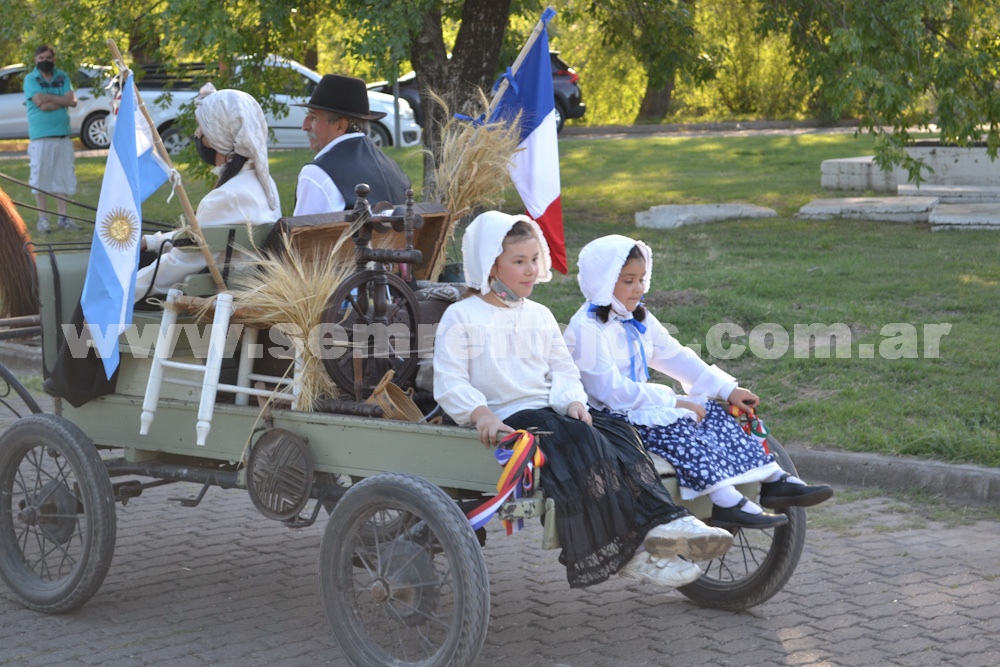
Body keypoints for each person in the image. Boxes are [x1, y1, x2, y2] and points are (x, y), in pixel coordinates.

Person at [433, 211, 734, 590]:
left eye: (533, 260)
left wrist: (574, 400)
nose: (530, 270)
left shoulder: (539, 315)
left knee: (619, 432)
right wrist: (480, 414)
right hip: (508, 413)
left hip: (549, 409)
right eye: (518, 261)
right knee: (582, 442)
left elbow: (563, 369)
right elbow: (450, 378)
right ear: (490, 264)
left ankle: (666, 524)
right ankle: (635, 553)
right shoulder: (462, 317)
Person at [564, 235, 833, 529]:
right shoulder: (586, 329)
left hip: (639, 406)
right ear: (603, 281)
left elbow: (676, 357)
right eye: (628, 281)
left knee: (714, 414)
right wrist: (674, 401)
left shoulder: (637, 317)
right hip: (610, 415)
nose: (639, 288)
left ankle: (773, 479)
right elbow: (610, 391)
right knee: (679, 426)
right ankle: (725, 499)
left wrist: (727, 389)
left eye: (641, 279)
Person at [134, 84, 281, 301]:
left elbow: (180, 263)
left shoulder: (227, 196)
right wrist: (153, 242)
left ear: (217, 136)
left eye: (201, 128)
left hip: (214, 299)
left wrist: (125, 290)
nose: (197, 134)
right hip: (245, 290)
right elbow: (201, 238)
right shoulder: (265, 185)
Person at [292, 74, 410, 215]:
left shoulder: (317, 173)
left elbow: (302, 235)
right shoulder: (393, 169)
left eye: (313, 117)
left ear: (339, 126)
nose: (304, 126)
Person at [24, 44, 81, 234]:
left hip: (63, 136)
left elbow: (72, 101)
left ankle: (63, 218)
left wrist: (49, 98)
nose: (45, 61)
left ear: (53, 59)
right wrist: (59, 100)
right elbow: (41, 105)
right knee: (40, 177)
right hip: (41, 138)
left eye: (48, 58)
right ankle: (43, 220)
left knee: (63, 176)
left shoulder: (62, 76)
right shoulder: (31, 79)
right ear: (36, 60)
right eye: (41, 59)